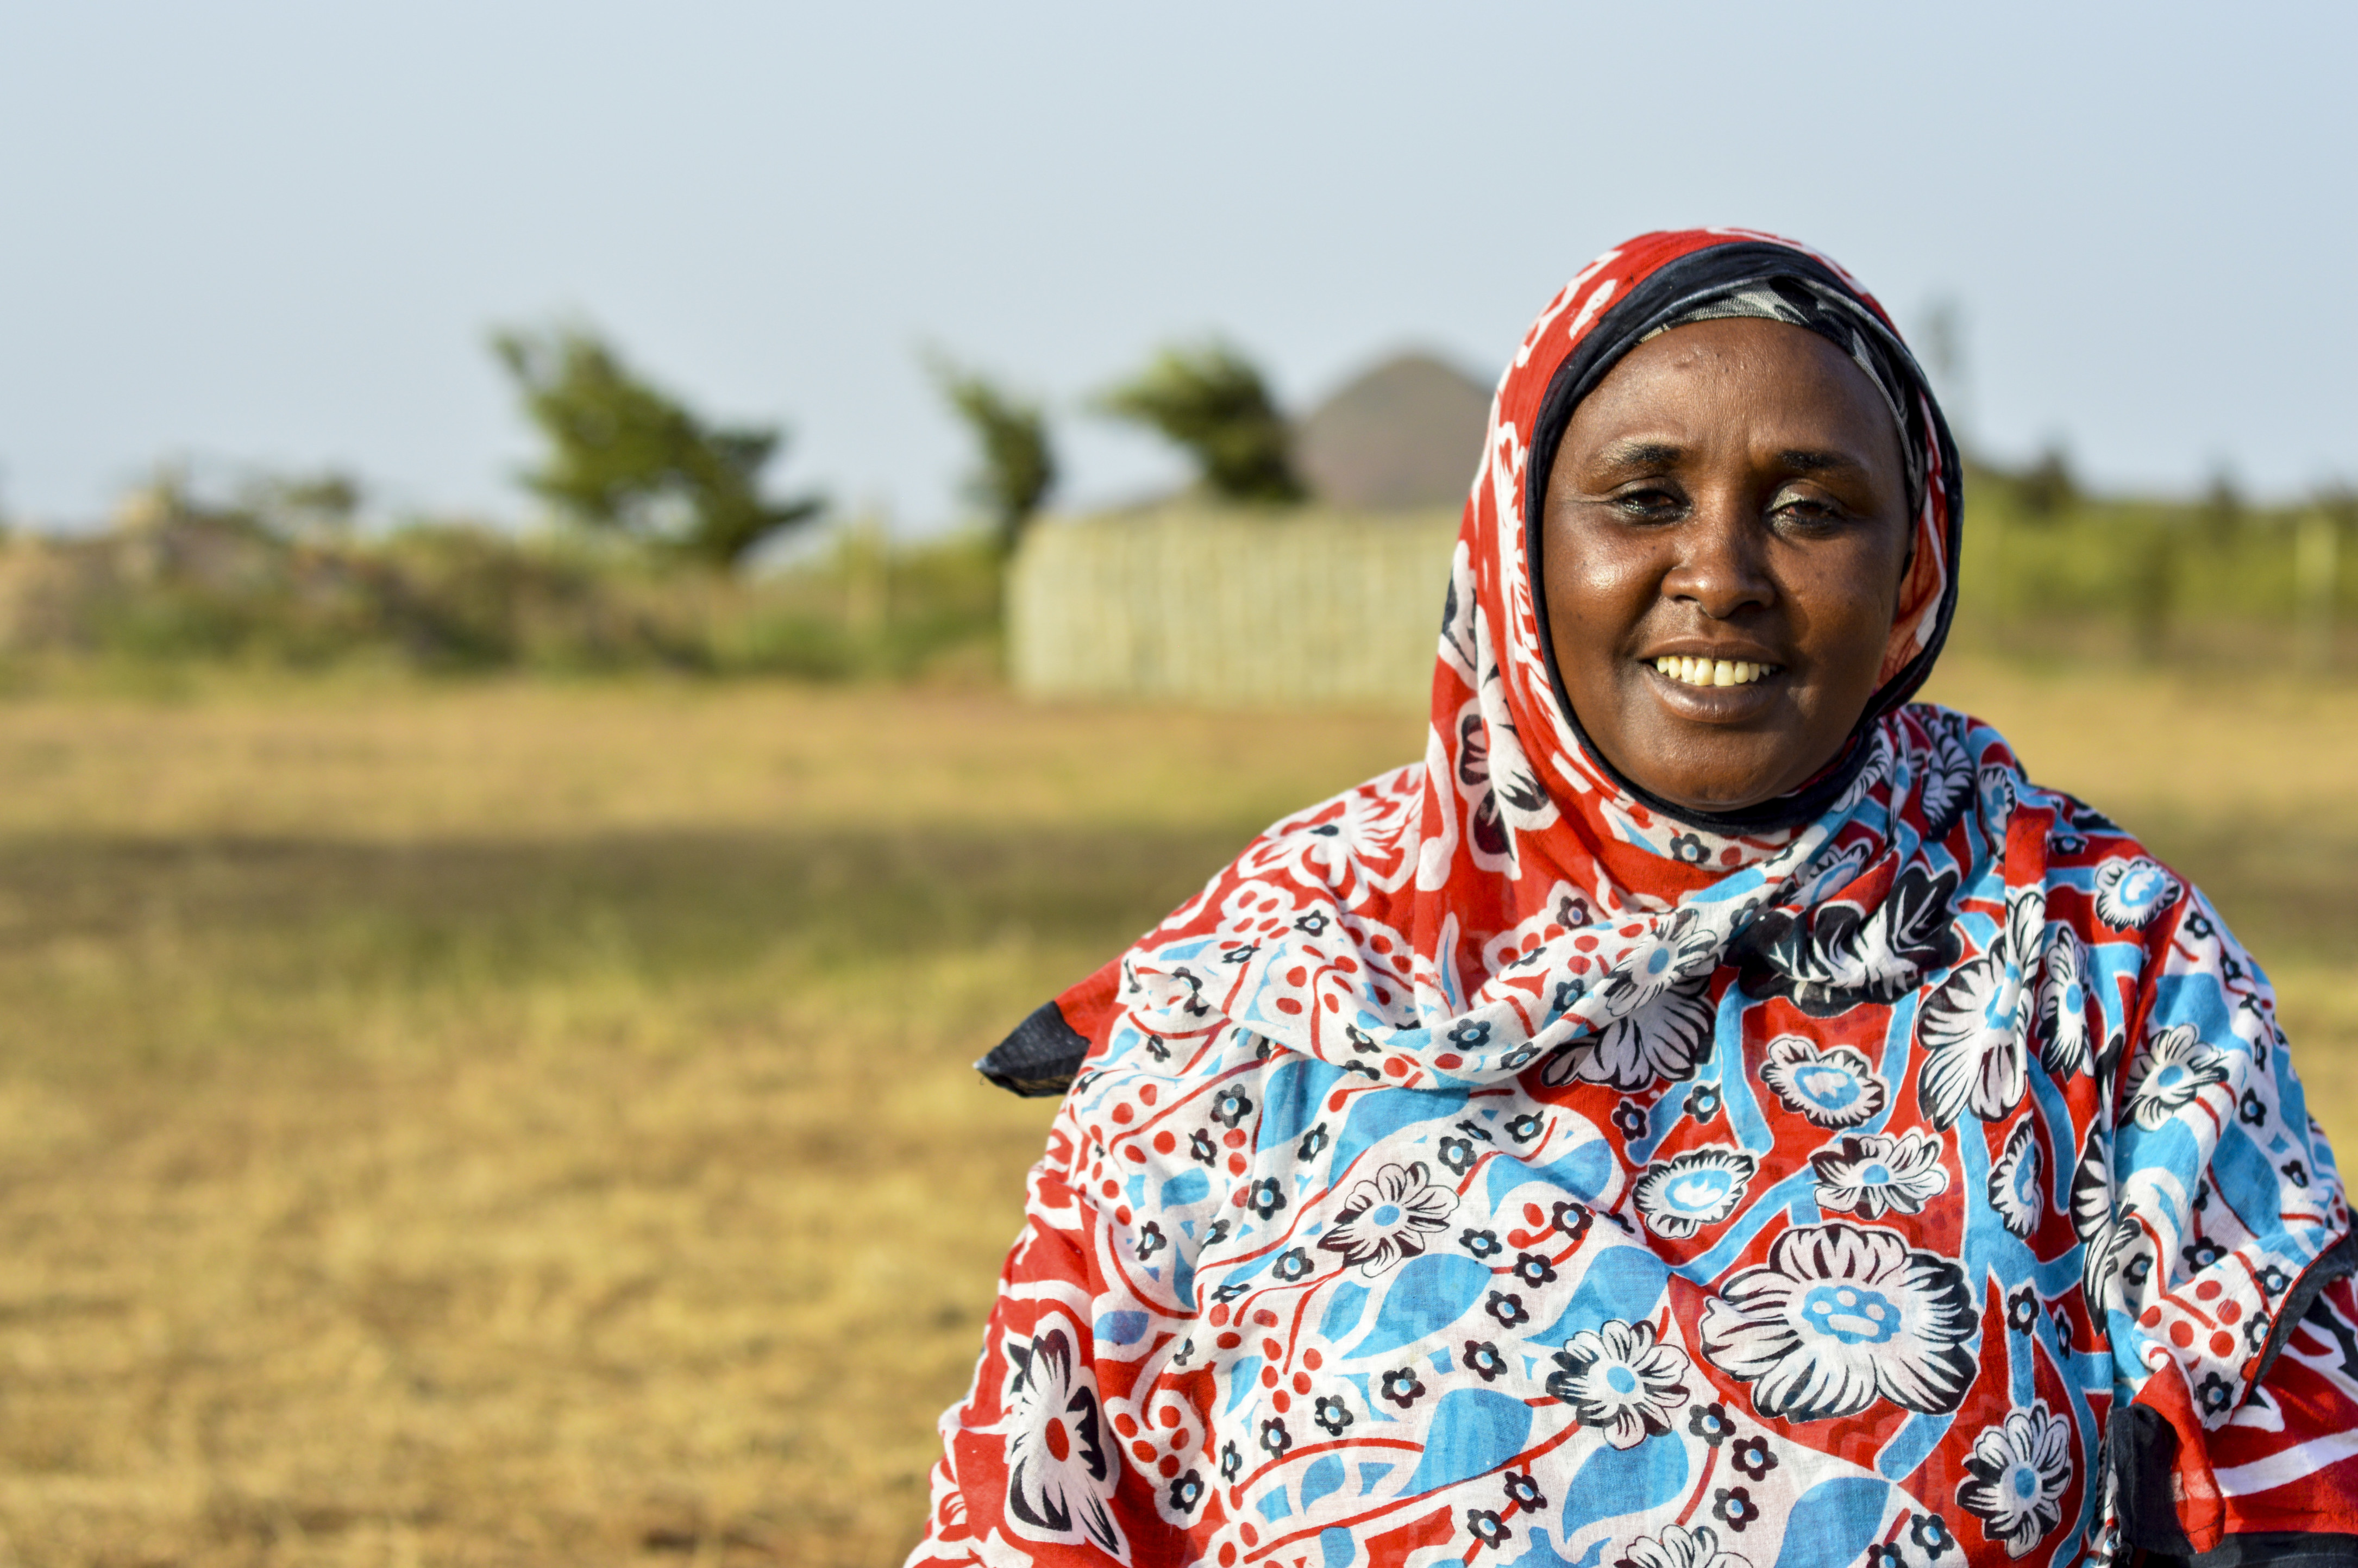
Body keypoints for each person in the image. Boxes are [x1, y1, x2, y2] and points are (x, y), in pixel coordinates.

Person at [910, 230, 2358, 1568]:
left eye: (1811, 510)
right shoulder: (1261, 989)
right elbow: (1045, 1507)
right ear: (1518, 546)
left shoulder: (2093, 954)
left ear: (1907, 568)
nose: (1719, 575)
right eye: (1643, 499)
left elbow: (2292, 1489)